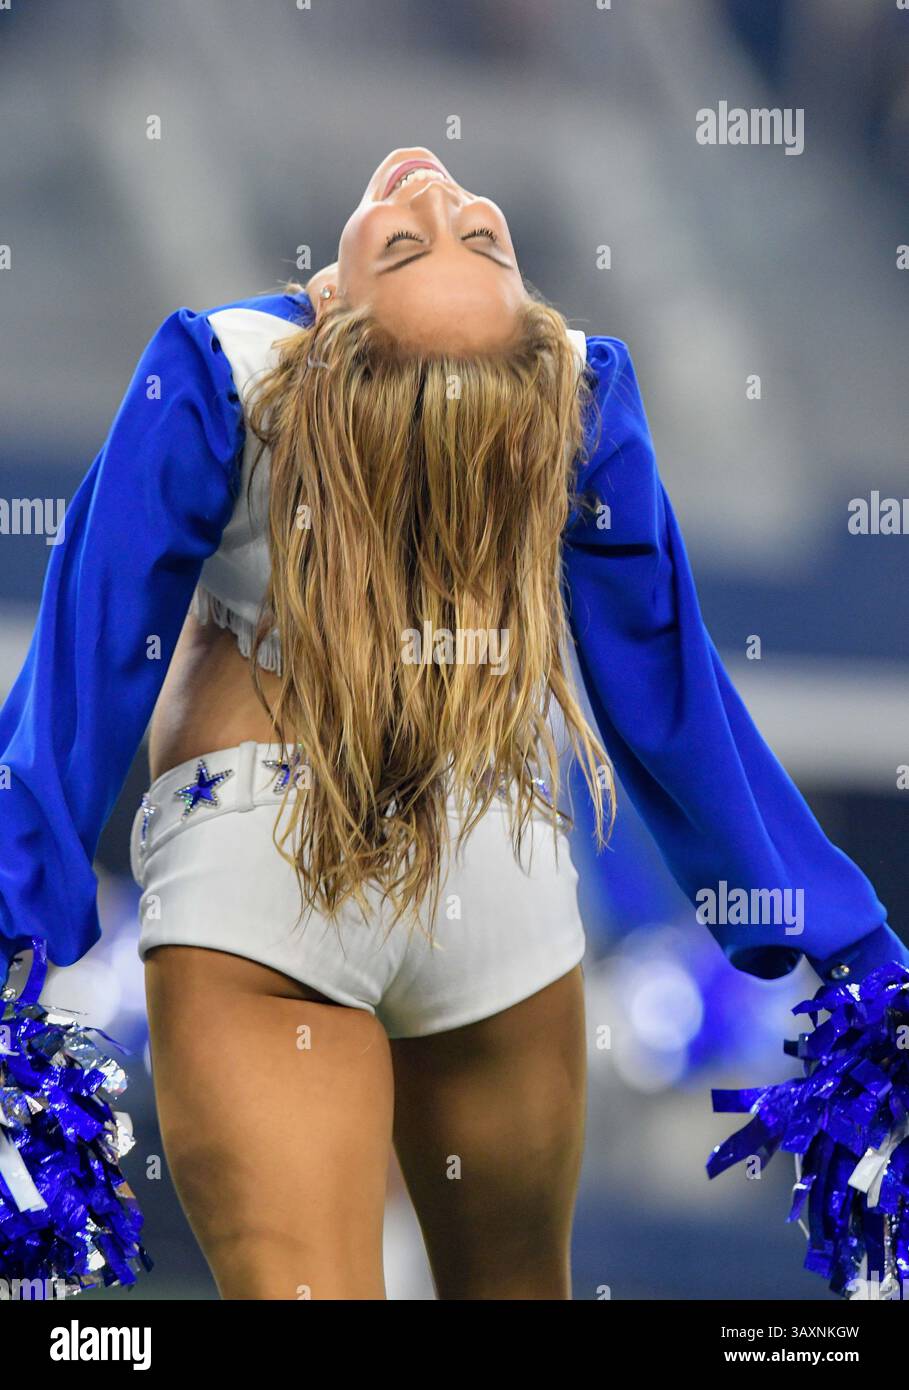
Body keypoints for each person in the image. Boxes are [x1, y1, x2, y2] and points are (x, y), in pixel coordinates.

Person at [1, 147, 905, 1301]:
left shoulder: (221, 372)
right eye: (465, 237)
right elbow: (672, 698)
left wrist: (12, 927)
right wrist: (852, 950)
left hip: (254, 882)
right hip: (498, 876)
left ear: (327, 322)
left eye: (420, 238)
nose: (438, 195)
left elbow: (88, 662)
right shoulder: (575, 401)